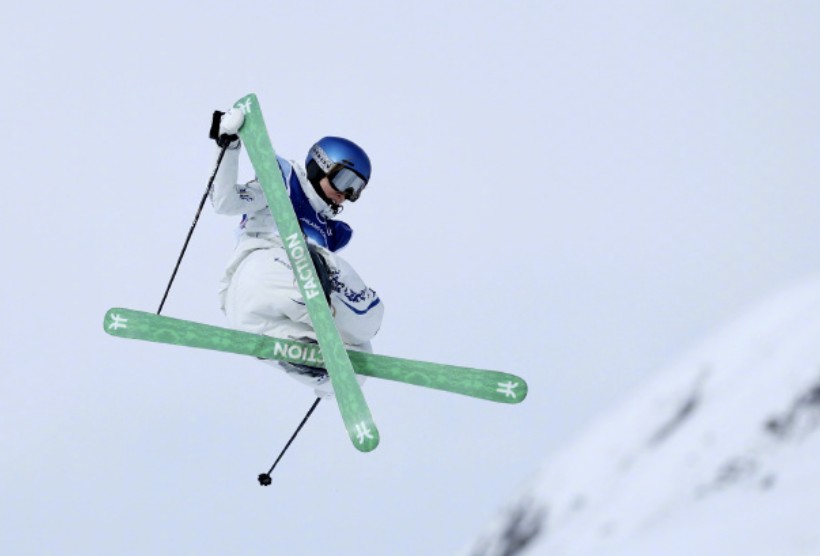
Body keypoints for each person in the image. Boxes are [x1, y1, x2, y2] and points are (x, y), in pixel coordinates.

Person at [209, 108, 384, 397]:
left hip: (254, 317)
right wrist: (228, 145)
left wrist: (334, 383)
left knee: (361, 358)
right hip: (262, 270)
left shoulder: (330, 230)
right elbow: (225, 201)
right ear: (321, 165)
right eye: (344, 181)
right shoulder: (284, 182)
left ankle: (321, 369)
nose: (346, 194)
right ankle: (320, 277)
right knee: (369, 315)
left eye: (356, 189)